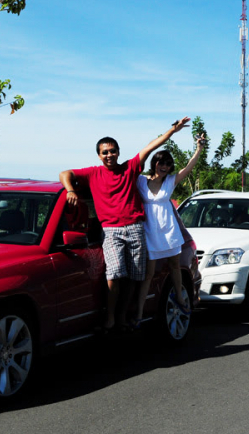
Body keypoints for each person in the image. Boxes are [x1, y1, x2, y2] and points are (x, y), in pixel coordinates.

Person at [59, 117, 191, 332]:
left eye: (112, 151)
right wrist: (70, 190)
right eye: (105, 152)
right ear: (99, 155)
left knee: (135, 276)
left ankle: (123, 316)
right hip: (111, 231)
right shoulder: (93, 173)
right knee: (114, 273)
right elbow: (65, 174)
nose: (109, 155)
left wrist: (172, 131)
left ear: (118, 152)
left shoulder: (130, 168)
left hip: (136, 228)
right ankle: (110, 317)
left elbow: (151, 146)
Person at [133, 133, 205, 326]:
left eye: (167, 164)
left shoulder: (170, 181)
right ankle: (138, 314)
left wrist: (198, 148)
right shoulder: (141, 181)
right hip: (149, 232)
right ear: (154, 163)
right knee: (148, 274)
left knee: (175, 266)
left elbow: (189, 168)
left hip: (169, 231)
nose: (164, 166)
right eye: (160, 163)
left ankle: (181, 300)